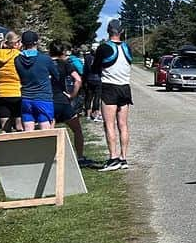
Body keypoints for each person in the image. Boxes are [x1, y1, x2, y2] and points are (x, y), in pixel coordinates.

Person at [92, 19, 133, 170]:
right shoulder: (127, 47)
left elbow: (95, 68)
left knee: (109, 124)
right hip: (125, 87)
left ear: (108, 31)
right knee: (123, 124)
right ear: (122, 32)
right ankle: (123, 158)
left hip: (110, 87)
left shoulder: (103, 48)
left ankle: (113, 158)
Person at [49, 41, 88, 164]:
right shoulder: (65, 64)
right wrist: (72, 95)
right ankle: (80, 157)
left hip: (48, 100)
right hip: (63, 101)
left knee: (49, 132)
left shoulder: (45, 64)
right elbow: (78, 80)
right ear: (63, 52)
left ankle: (51, 159)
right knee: (77, 130)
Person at [14, 31, 55, 130]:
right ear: (36, 42)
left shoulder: (17, 60)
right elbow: (56, 76)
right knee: (46, 134)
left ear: (22, 43)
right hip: (43, 97)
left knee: (28, 134)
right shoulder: (45, 59)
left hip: (26, 98)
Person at [0, 31, 23, 132]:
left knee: (4, 127)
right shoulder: (19, 56)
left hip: (2, 93)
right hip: (18, 92)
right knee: (19, 125)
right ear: (16, 43)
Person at [83, 47, 102, 121]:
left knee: (89, 97)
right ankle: (96, 114)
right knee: (97, 97)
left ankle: (88, 115)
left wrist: (84, 79)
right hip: (98, 79)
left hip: (89, 79)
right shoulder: (100, 58)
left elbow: (85, 69)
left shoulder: (87, 57)